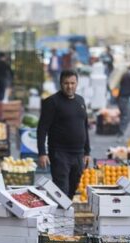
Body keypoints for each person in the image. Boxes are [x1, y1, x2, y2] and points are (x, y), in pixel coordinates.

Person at [37, 69, 91, 199]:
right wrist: (42, 153)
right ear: (61, 83)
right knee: (62, 191)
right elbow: (42, 129)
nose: (70, 86)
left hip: (78, 154)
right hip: (60, 154)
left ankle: (69, 217)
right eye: (66, 83)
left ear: (77, 83)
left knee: (75, 189)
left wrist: (87, 152)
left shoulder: (80, 101)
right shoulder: (52, 102)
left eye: (73, 83)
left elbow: (84, 126)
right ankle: (61, 218)